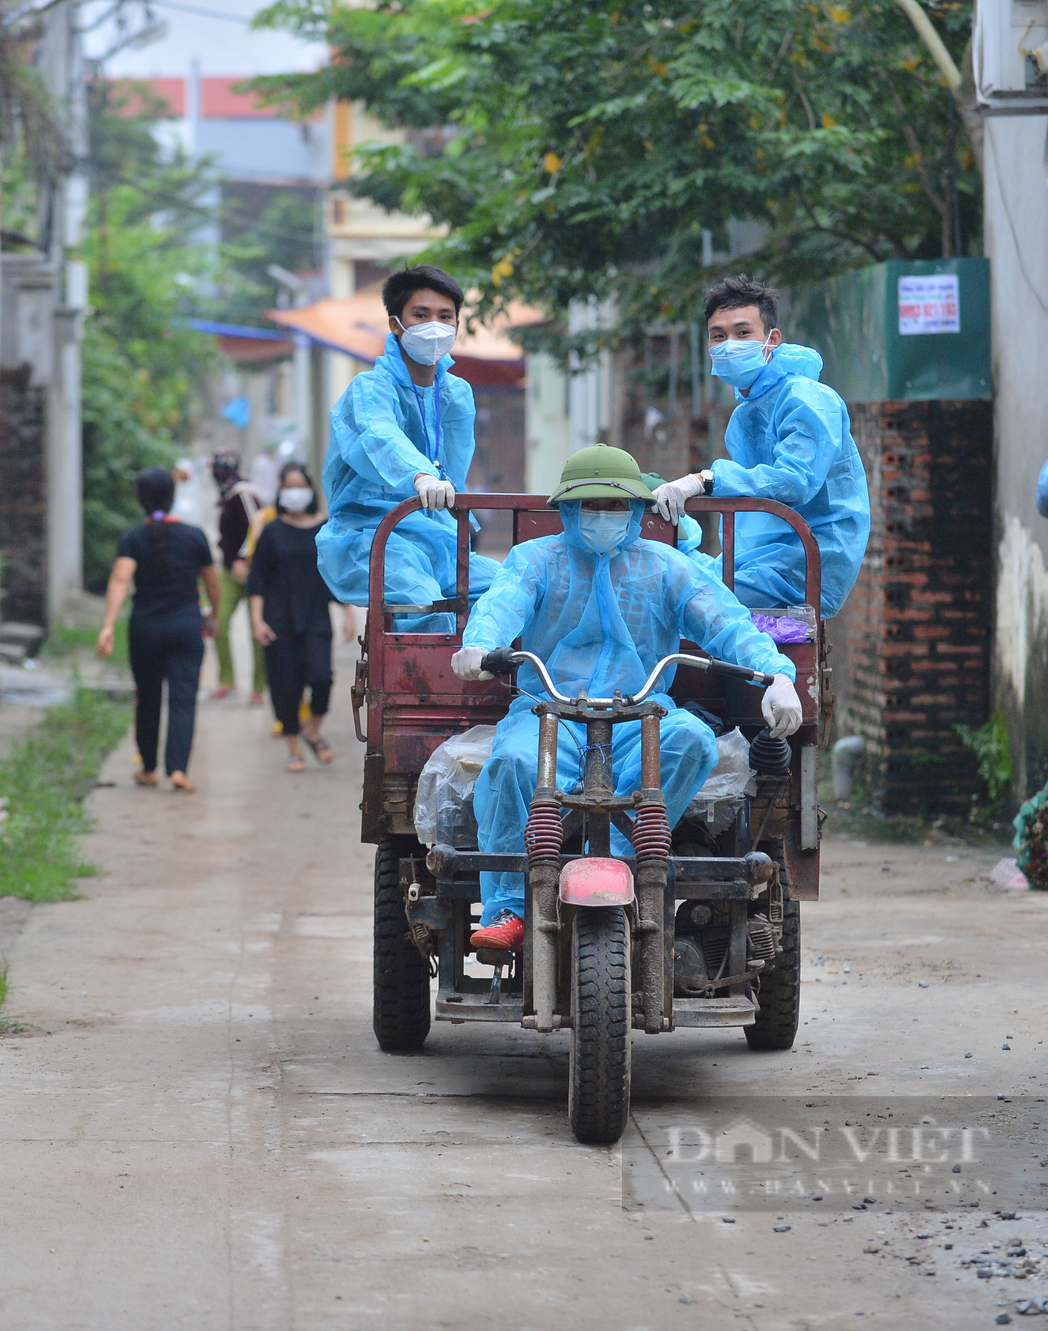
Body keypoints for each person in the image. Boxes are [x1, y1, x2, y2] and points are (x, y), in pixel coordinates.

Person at [451, 446, 802, 953]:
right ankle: (509, 907)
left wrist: (776, 675)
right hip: (550, 711)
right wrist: (480, 644)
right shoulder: (537, 560)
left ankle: (627, 861)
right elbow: (504, 601)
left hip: (643, 716)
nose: (603, 516)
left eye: (616, 506)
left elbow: (725, 622)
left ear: (637, 510)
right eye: (591, 504)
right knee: (511, 763)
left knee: (694, 741)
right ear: (568, 510)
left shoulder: (666, 567)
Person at [650, 276, 870, 619]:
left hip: (808, 559)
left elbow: (794, 482)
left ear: (772, 340)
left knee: (678, 595)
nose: (729, 345)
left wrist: (707, 480)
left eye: (742, 333)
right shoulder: (747, 416)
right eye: (718, 336)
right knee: (668, 571)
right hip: (764, 556)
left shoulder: (807, 399)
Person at [314, 264, 499, 633]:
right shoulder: (370, 389)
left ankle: (510, 687)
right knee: (424, 605)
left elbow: (456, 464)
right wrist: (420, 476)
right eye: (421, 314)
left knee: (513, 589)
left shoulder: (456, 394)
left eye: (445, 316)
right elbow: (379, 434)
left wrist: (453, 515)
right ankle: (432, 689)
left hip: (438, 537)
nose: (435, 325)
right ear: (396, 324)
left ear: (457, 326)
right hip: (373, 535)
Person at [98, 467, 220, 792]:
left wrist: (108, 624)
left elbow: (121, 579)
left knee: (148, 698)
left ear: (140, 499)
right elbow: (211, 581)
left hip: (146, 629)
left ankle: (149, 768)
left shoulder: (133, 537)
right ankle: (178, 769)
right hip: (186, 627)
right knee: (183, 698)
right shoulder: (194, 535)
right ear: (172, 496)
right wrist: (215, 613)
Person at [248, 463, 356, 773]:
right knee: (285, 684)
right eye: (288, 486)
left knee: (322, 677)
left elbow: (335, 575)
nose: (295, 491)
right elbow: (257, 579)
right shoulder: (270, 532)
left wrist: (348, 613)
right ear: (281, 492)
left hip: (316, 617)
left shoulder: (325, 528)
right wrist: (257, 620)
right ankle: (294, 747)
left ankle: (314, 730)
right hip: (278, 618)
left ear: (310, 489)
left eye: (300, 485)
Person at [208, 447, 266, 704]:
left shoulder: (243, 493)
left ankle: (258, 687)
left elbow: (257, 526)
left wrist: (245, 558)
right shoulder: (228, 494)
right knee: (218, 623)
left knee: (258, 628)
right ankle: (227, 680)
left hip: (250, 570)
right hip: (229, 570)